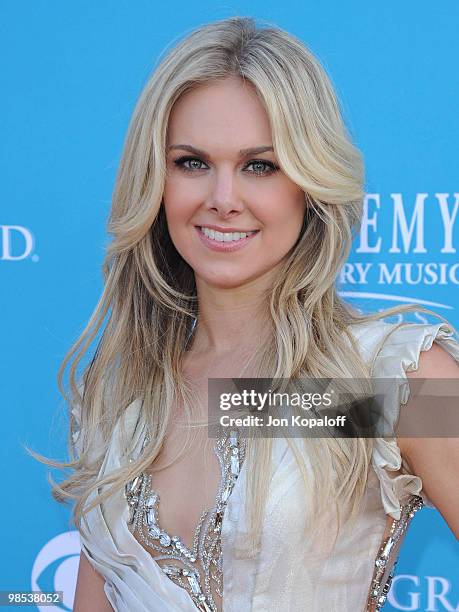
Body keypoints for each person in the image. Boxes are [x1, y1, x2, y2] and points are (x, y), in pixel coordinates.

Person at [43, 16, 459, 612]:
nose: (223, 198)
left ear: (309, 184)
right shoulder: (124, 402)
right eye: (191, 162)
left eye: (260, 165)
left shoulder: (387, 383)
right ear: (155, 181)